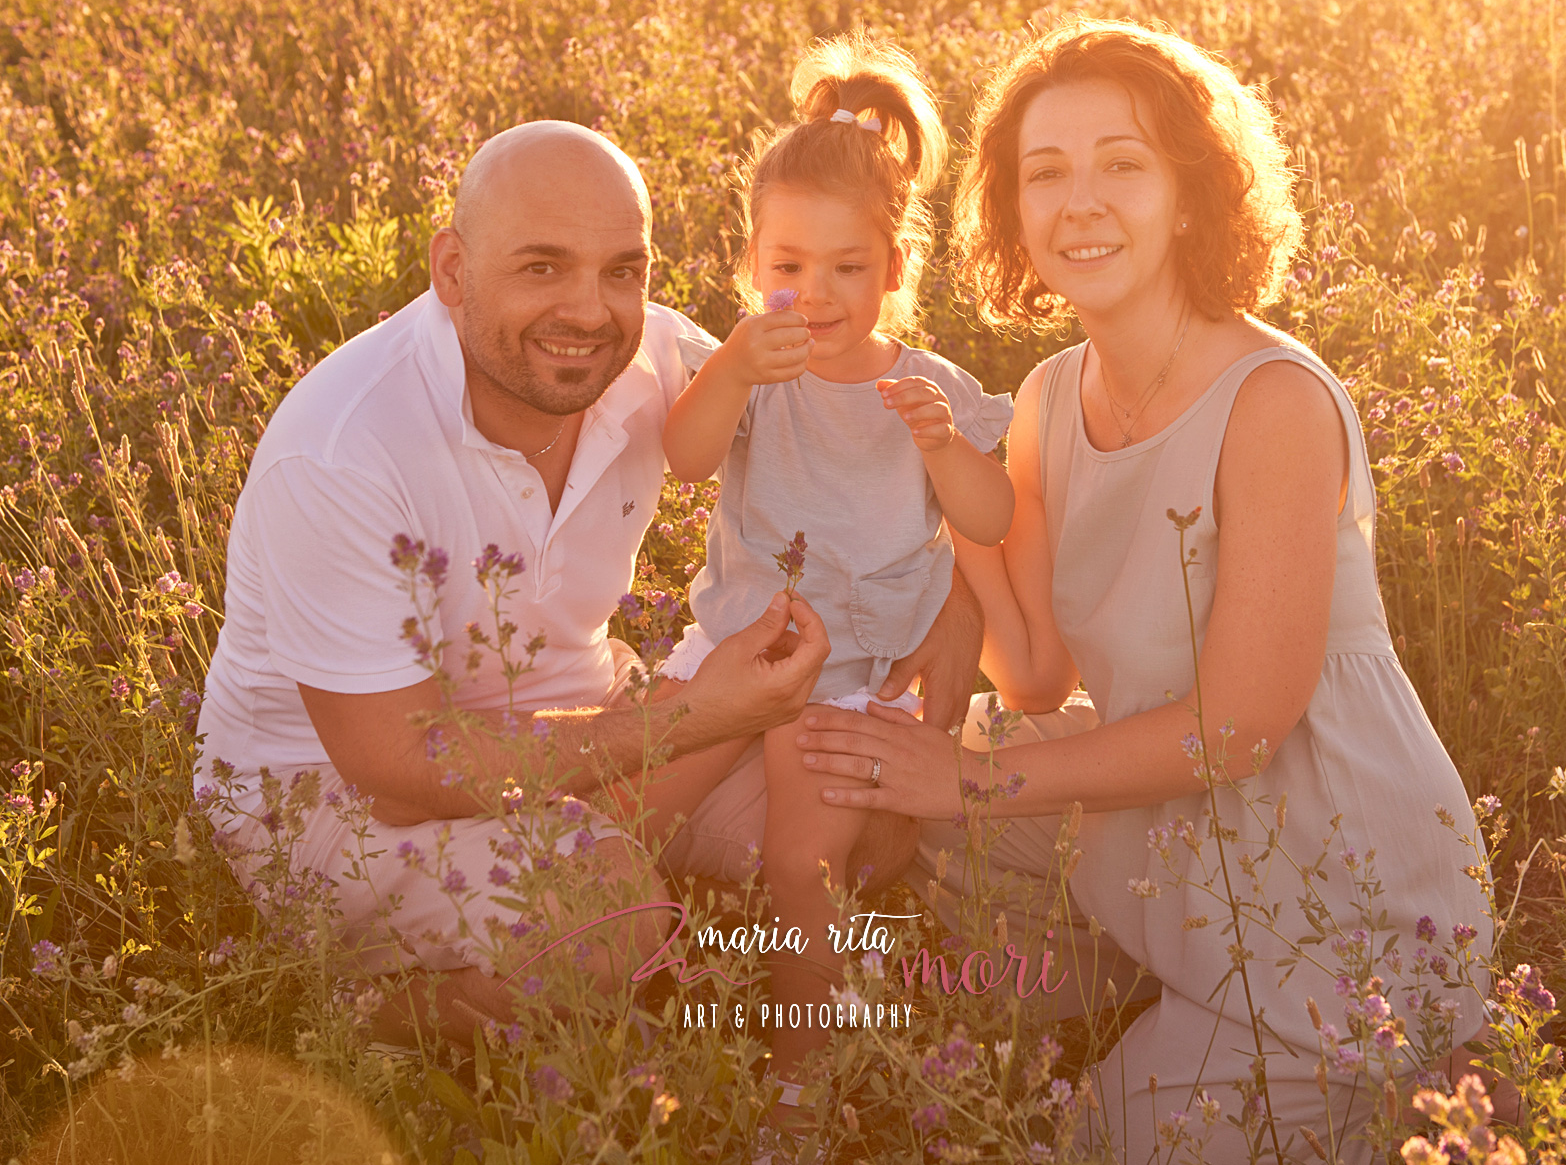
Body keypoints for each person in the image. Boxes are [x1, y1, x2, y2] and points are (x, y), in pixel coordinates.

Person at [793, 20, 1493, 1162]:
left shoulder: (1272, 401)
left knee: (1104, 1146)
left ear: (1189, 192)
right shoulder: (1052, 395)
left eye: (1123, 164)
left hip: (1333, 878)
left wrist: (969, 779)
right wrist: (941, 471)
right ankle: (1168, 997)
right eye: (1046, 173)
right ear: (1012, 211)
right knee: (892, 784)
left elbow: (1238, 731)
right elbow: (1032, 668)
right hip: (1172, 823)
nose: (1081, 203)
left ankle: (1399, 1071)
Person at [192, 120, 981, 1047]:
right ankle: (338, 1023)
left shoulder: (644, 355)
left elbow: (847, 411)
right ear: (452, 269)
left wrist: (956, 584)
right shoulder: (343, 450)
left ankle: (613, 876)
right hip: (329, 798)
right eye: (540, 267)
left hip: (581, 717)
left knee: (869, 816)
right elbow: (399, 771)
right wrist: (693, 718)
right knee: (606, 920)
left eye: (621, 271)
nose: (588, 310)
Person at [651, 34, 1016, 1092]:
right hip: (734, 651)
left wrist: (943, 443)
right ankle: (652, 984)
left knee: (799, 871)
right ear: (750, 268)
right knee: (626, 816)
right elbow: (683, 463)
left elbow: (988, 519)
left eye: (848, 269)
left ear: (896, 270)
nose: (815, 294)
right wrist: (725, 368)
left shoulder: (927, 384)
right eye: (787, 268)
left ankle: (800, 1080)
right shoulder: (753, 365)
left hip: (855, 679)